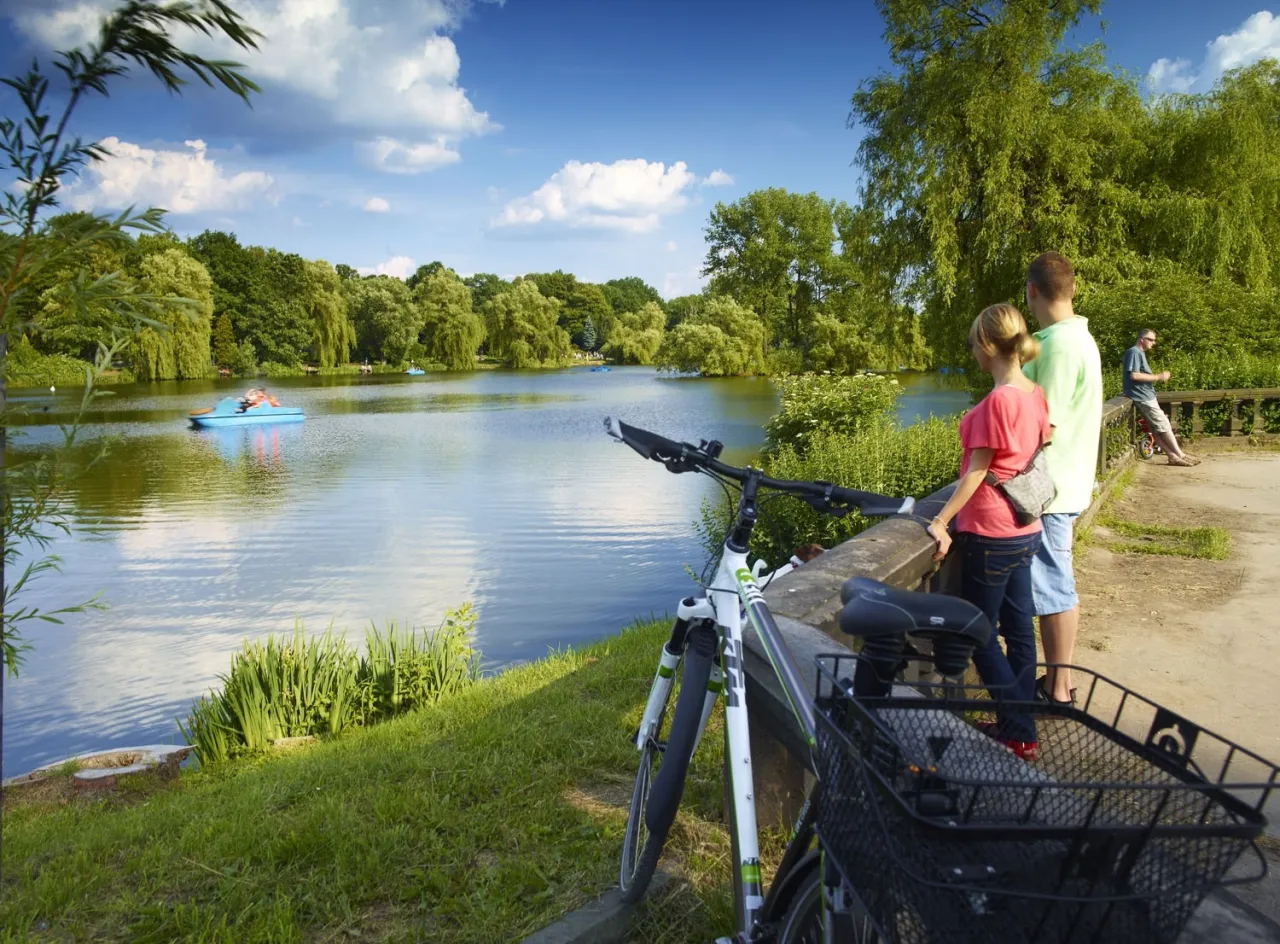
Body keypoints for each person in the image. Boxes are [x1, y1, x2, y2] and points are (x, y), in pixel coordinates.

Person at [927, 303, 1050, 760]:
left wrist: (941, 521)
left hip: (992, 531)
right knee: (1019, 630)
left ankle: (1020, 731)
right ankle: (1018, 725)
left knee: (978, 632)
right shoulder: (1034, 393)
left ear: (984, 345)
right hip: (1027, 526)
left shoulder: (998, 401)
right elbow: (1034, 447)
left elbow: (978, 471)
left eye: (972, 343)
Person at [1020, 252, 1102, 707]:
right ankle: (1059, 684)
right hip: (1067, 482)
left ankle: (1058, 691)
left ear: (1032, 291)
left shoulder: (1056, 345)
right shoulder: (1079, 338)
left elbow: (1040, 423)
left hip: (1049, 490)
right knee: (1058, 584)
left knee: (1054, 589)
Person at [1123, 329, 1198, 467]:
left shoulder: (1139, 353)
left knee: (1156, 430)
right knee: (1164, 426)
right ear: (1142, 339)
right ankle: (1180, 455)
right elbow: (1134, 375)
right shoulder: (1134, 352)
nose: (1153, 343)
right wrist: (1158, 377)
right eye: (1151, 340)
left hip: (1145, 396)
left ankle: (1173, 457)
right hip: (1143, 397)